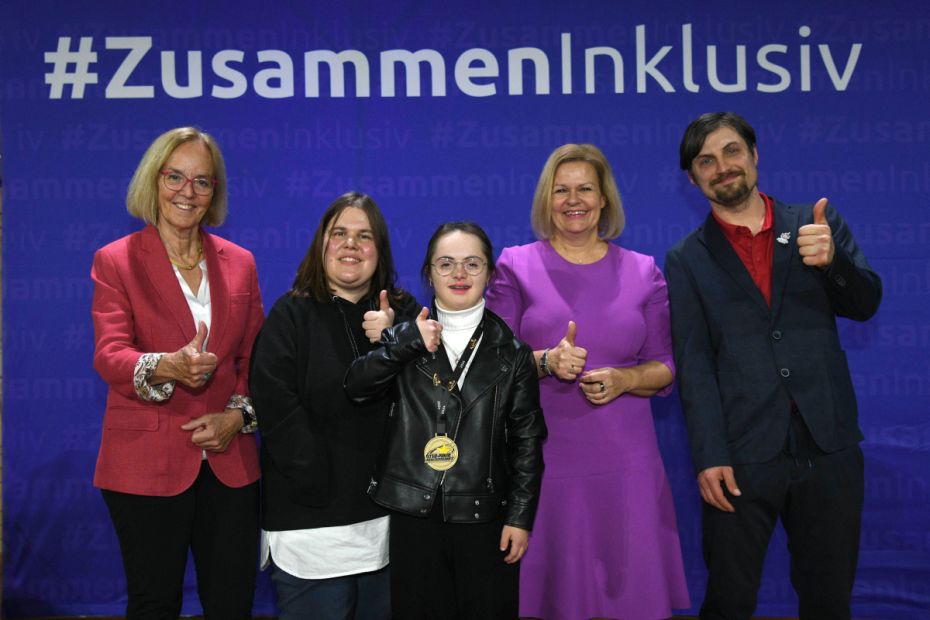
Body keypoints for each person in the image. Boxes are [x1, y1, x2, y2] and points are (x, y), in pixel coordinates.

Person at [664, 112, 882, 620]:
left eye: (732, 151)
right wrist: (708, 455)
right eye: (706, 161)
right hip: (741, 455)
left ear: (755, 155)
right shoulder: (685, 259)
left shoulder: (815, 225)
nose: (723, 167)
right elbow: (694, 363)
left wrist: (834, 264)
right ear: (693, 179)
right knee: (729, 602)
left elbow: (866, 304)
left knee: (829, 601)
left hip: (828, 443)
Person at [485, 143, 690, 619]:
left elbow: (665, 365)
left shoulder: (644, 272)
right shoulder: (515, 266)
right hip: (544, 462)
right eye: (561, 190)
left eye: (584, 189)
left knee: (630, 596)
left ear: (604, 200)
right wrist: (544, 362)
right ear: (546, 200)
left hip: (627, 464)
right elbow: (491, 364)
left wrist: (625, 378)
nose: (572, 200)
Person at [91, 127, 264, 618]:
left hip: (229, 460)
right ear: (154, 180)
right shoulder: (116, 261)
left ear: (215, 193)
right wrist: (165, 365)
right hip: (144, 460)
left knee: (233, 602)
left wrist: (237, 417)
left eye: (202, 182)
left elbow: (257, 359)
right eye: (175, 177)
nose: (188, 192)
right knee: (154, 602)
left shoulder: (241, 263)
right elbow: (110, 354)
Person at [344, 221, 547, 619]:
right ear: (428, 273)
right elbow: (356, 388)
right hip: (413, 512)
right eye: (446, 263)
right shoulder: (405, 337)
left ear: (490, 273)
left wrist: (520, 518)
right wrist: (403, 344)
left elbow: (527, 442)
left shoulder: (514, 353)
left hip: (485, 514)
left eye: (473, 264)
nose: (459, 274)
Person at [249, 192, 419, 619]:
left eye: (364, 236)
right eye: (339, 233)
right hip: (312, 528)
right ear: (320, 244)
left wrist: (397, 339)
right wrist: (317, 479)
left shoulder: (403, 313)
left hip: (387, 527)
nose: (350, 245)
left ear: (379, 249)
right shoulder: (291, 315)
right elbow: (276, 408)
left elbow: (439, 394)